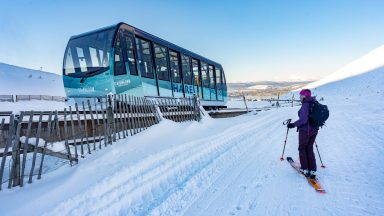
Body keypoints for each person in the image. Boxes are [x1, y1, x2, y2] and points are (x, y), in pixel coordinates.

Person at [287, 89, 319, 179]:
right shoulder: (313, 102)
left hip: (305, 131)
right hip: (314, 130)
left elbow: (303, 120)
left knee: (302, 148)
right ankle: (312, 169)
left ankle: (305, 169)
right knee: (309, 148)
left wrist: (293, 124)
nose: (300, 97)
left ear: (304, 96)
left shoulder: (305, 105)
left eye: (301, 95)